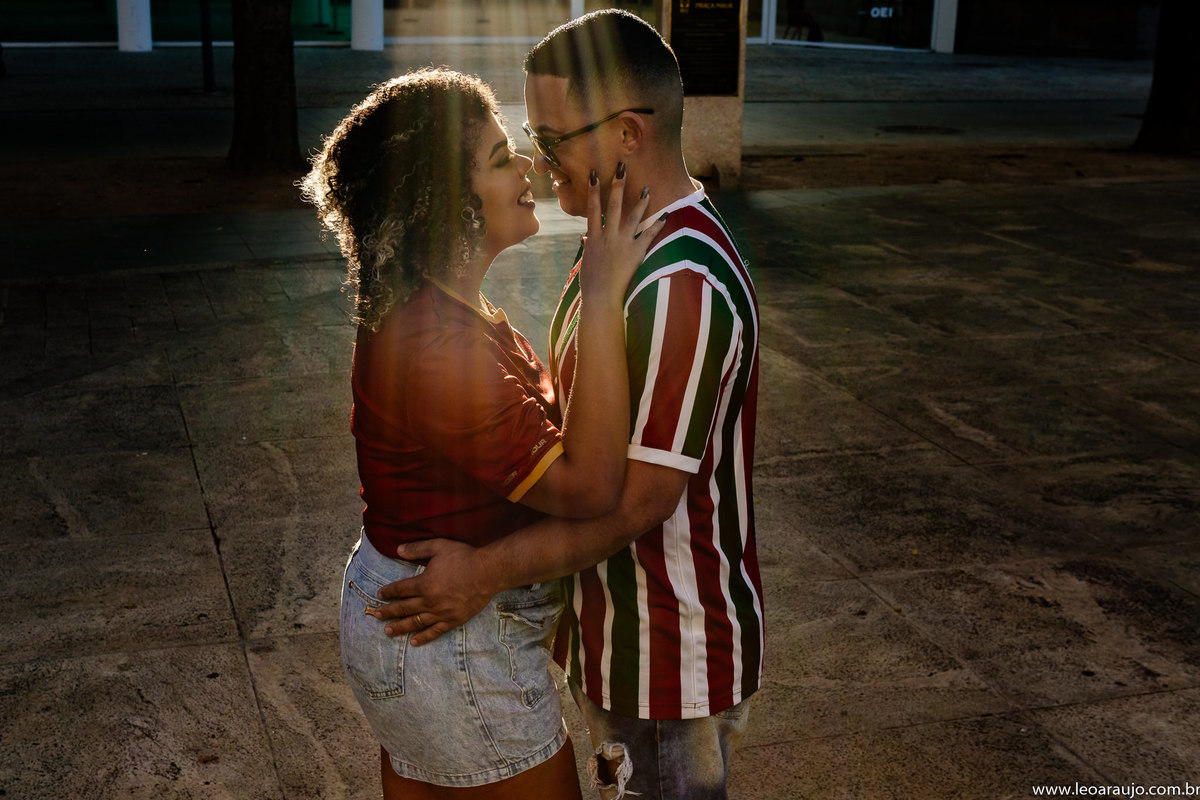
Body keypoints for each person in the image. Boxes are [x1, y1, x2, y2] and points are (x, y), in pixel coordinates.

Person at [371, 12, 763, 800]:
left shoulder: (677, 283)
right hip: (615, 642)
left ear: (625, 135)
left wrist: (478, 573)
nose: (535, 160)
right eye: (528, 136)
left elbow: (633, 506)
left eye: (552, 141)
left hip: (665, 657)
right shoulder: (616, 237)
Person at [301, 67, 665, 799]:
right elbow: (593, 488)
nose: (528, 167)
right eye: (501, 160)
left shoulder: (442, 311)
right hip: (451, 648)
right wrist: (602, 293)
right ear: (439, 202)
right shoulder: (435, 349)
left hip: (425, 633)